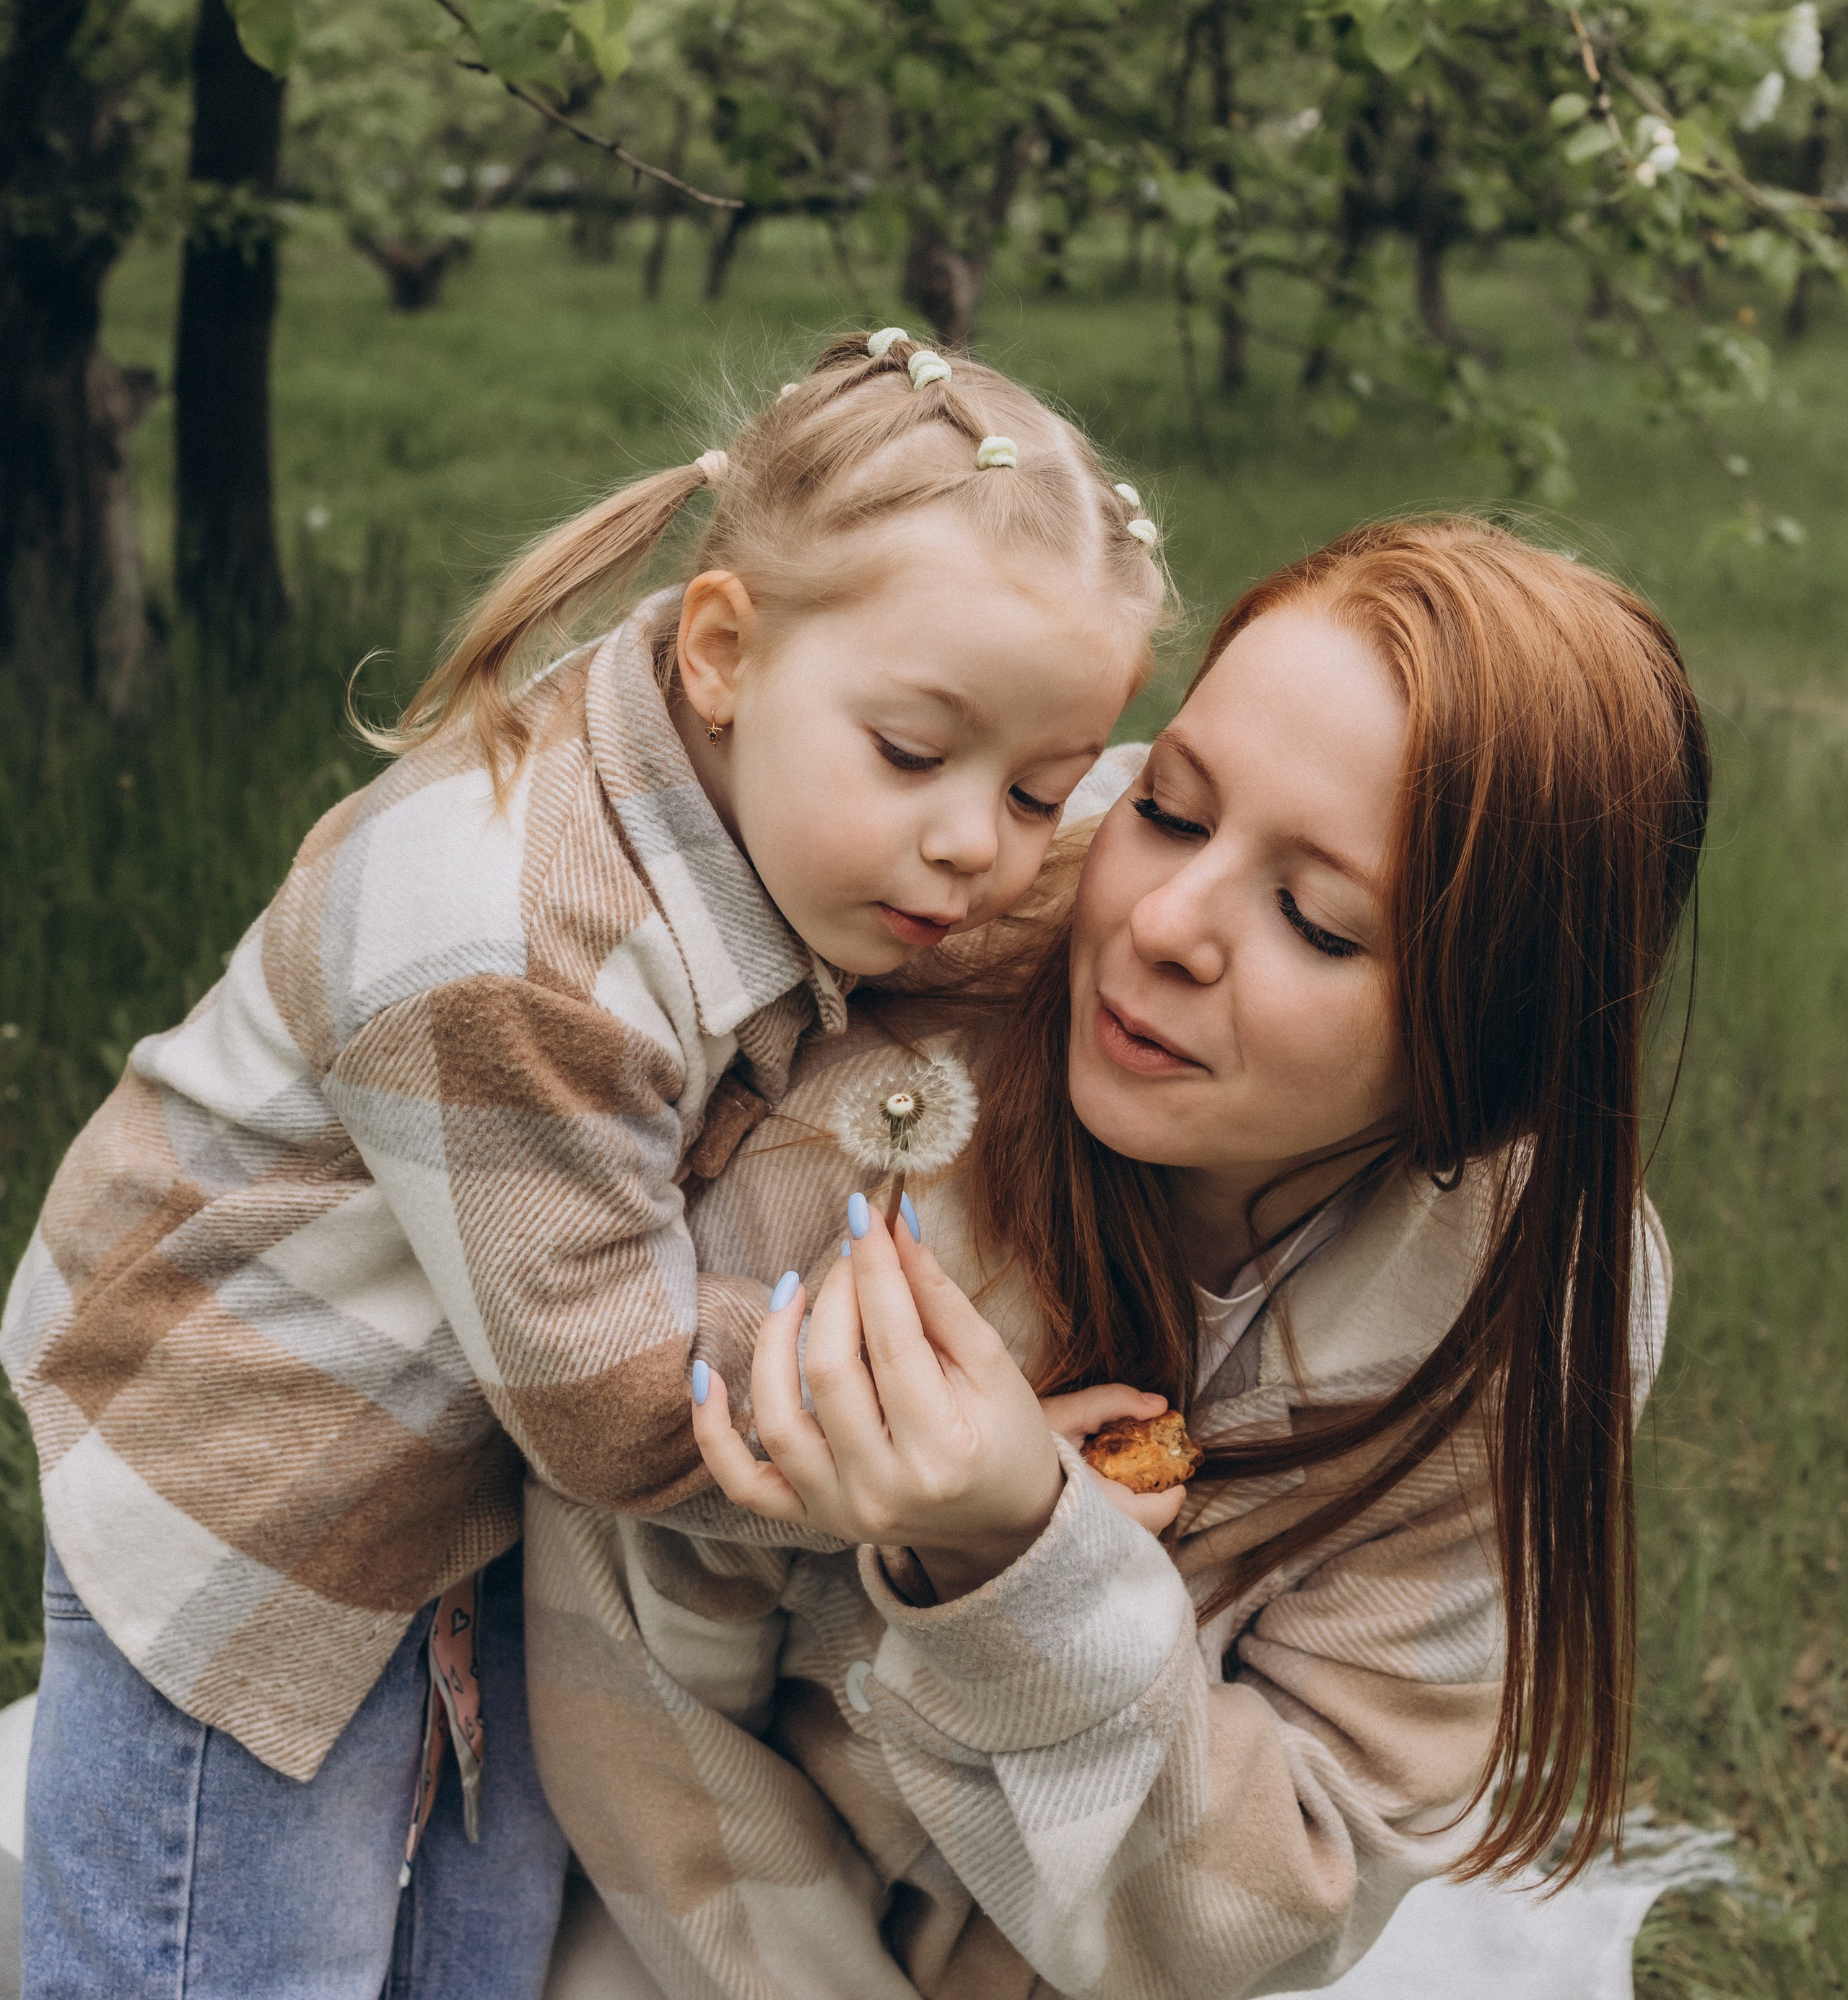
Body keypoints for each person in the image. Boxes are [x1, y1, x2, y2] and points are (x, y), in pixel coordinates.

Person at [0, 331, 1163, 2000]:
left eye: (1036, 790)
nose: (975, 843)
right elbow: (615, 1393)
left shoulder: (760, 780)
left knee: (473, 1964)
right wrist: (937, 1439)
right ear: (721, 650)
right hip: (253, 1501)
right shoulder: (513, 957)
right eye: (916, 756)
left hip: (460, 1495)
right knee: (221, 1963)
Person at [524, 515, 1709, 2000]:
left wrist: (1012, 1555)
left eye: (1312, 921)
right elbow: (638, 1703)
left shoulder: (1528, 1304)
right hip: (709, 1906)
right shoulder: (865, 1114)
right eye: (1166, 805)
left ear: (1494, 1052)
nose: (1161, 925)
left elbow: (1278, 1903)